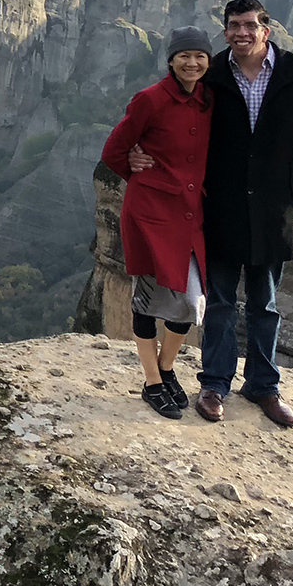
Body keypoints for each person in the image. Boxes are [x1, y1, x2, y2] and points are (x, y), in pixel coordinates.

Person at [135, 0, 293, 427]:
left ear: (266, 30)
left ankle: (263, 386)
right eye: (234, 25)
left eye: (250, 25)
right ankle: (215, 384)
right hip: (218, 205)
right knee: (218, 301)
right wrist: (137, 155)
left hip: (275, 205)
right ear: (225, 32)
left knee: (266, 303)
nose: (242, 32)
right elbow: (175, 125)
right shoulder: (212, 74)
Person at [99, 28, 215, 419]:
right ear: (171, 60)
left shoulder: (208, 99)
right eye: (184, 56)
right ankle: (152, 382)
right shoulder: (150, 99)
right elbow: (114, 150)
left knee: (188, 301)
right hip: (150, 215)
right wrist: (138, 173)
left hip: (189, 214)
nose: (192, 63)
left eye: (200, 56)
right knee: (147, 300)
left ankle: (167, 369)